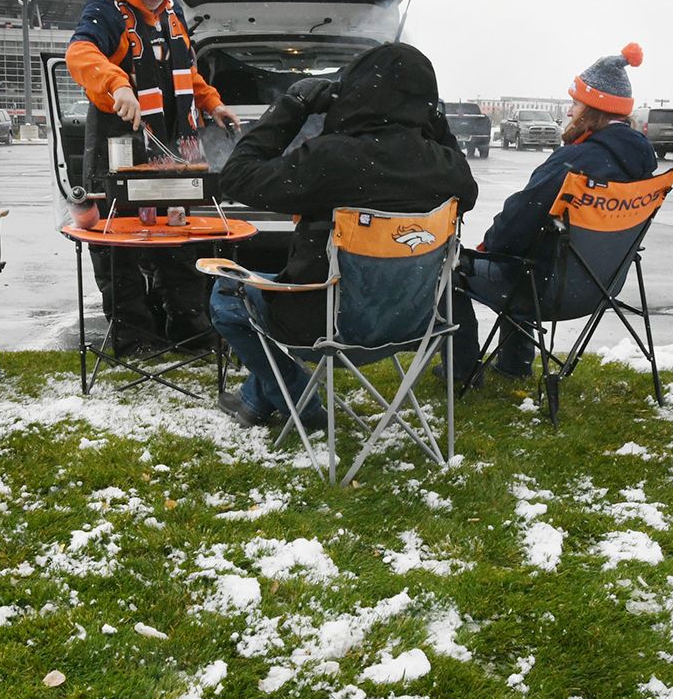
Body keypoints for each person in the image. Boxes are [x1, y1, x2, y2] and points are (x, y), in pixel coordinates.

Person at [205, 43, 479, 427]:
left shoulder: (332, 158)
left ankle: (301, 403)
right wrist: (434, 125)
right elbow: (468, 190)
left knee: (228, 292)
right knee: (278, 295)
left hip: (327, 324)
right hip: (410, 321)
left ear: (355, 92)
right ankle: (256, 401)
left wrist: (292, 107)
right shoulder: (448, 168)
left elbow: (236, 178)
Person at [65, 0, 240, 354]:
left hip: (177, 147)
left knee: (182, 237)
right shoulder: (104, 9)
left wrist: (212, 104)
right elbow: (80, 54)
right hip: (119, 148)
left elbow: (188, 70)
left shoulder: (172, 10)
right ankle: (134, 335)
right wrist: (117, 85)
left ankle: (190, 329)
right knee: (118, 243)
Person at [455, 44, 658, 378]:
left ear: (594, 111)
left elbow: (519, 218)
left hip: (549, 291)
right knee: (531, 254)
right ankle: (511, 363)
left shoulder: (576, 163)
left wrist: (489, 247)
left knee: (458, 270)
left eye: (575, 103)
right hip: (603, 286)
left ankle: (464, 371)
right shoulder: (642, 166)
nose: (569, 112)